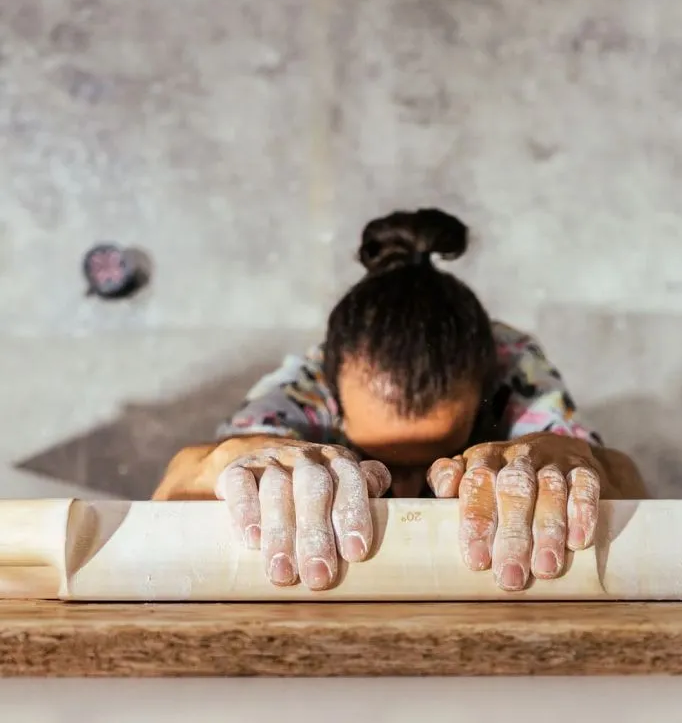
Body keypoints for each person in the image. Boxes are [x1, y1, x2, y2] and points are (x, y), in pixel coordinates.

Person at [153, 208, 647, 592]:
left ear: (486, 391)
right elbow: (181, 482)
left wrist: (565, 459)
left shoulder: (512, 366)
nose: (406, 491)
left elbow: (624, 479)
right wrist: (245, 460)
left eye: (434, 457)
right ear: (331, 396)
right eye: (384, 459)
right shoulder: (306, 384)